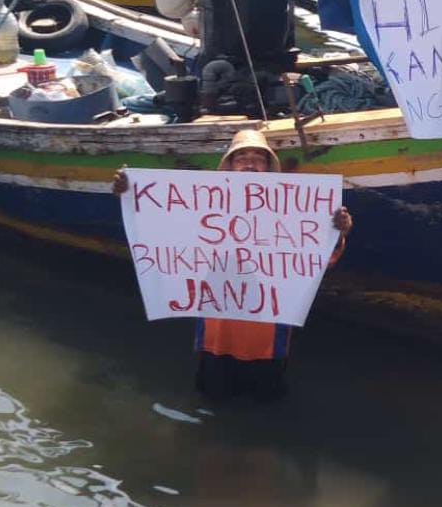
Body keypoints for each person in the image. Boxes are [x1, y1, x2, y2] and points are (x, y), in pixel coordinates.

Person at [113, 129, 353, 401]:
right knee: (214, 400)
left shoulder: (291, 208)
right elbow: (159, 235)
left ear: (267, 167)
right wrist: (129, 194)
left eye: (258, 158)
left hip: (268, 337)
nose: (250, 163)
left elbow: (320, 260)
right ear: (229, 165)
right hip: (217, 334)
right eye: (241, 157)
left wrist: (337, 231)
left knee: (266, 406)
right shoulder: (202, 205)